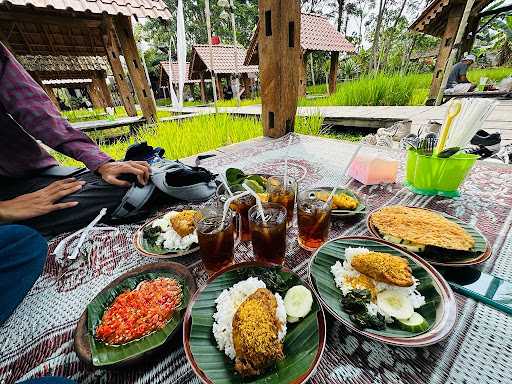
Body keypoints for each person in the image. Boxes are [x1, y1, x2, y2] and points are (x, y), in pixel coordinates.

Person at [0, 42, 151, 237]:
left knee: (134, 181)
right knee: (21, 239)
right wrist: (6, 210)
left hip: (30, 174)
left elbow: (36, 111)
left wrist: (102, 163)